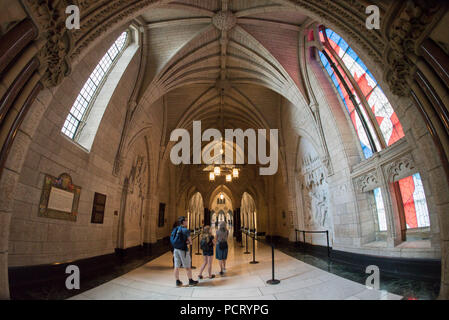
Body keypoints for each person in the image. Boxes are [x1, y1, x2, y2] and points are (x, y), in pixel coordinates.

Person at [170, 216, 198, 287]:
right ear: (183, 222)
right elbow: (191, 242)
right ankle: (190, 280)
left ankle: (177, 281)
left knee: (176, 266)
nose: (187, 221)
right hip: (183, 250)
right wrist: (188, 242)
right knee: (188, 266)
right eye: (186, 220)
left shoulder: (176, 228)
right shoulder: (185, 230)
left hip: (175, 249)